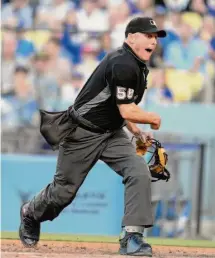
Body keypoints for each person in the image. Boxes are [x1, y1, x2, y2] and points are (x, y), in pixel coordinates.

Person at [19, 16, 166, 256]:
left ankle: (131, 236)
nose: (154, 41)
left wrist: (136, 131)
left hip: (112, 133)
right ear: (131, 37)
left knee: (138, 171)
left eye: (155, 37)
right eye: (148, 35)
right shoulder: (122, 63)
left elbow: (117, 107)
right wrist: (152, 118)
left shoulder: (136, 65)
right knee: (62, 193)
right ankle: (30, 212)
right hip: (82, 133)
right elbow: (127, 109)